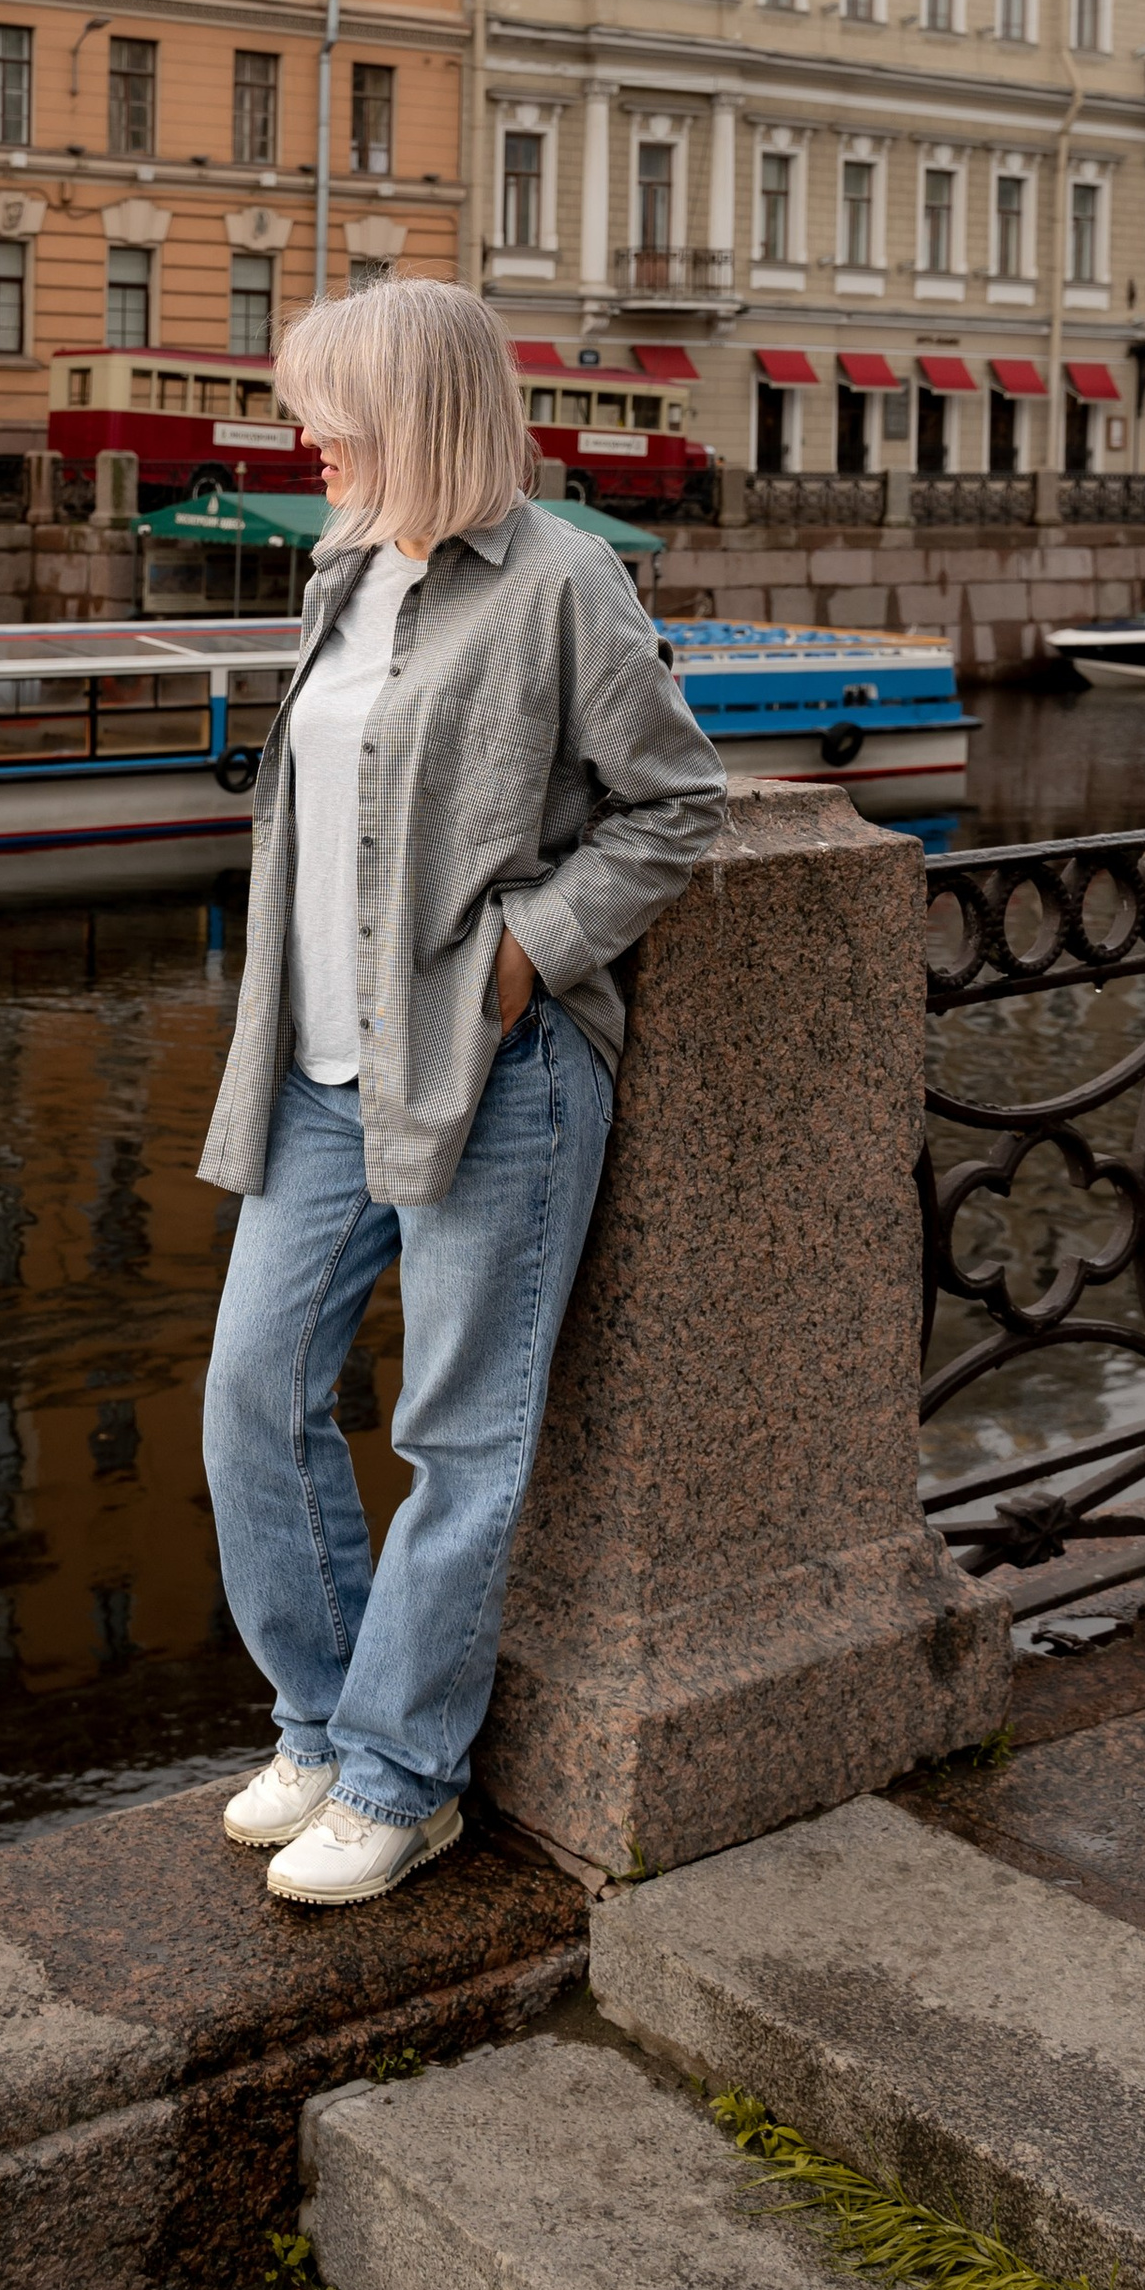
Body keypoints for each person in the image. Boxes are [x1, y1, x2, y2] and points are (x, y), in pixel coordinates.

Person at [198, 278, 727, 1907]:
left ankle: (403, 1777)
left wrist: (522, 960)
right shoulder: (342, 566)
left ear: (411, 413)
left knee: (458, 1435)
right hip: (317, 1066)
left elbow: (675, 806)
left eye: (329, 412)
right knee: (249, 1400)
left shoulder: (562, 581)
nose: (306, 439)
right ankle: (318, 1720)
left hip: (493, 1074)